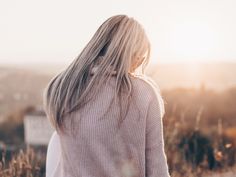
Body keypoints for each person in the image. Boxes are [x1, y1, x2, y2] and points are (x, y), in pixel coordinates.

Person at [43, 14, 170, 177]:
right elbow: (157, 168)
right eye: (139, 57)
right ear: (129, 53)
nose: (138, 64)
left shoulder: (62, 88)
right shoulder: (143, 93)